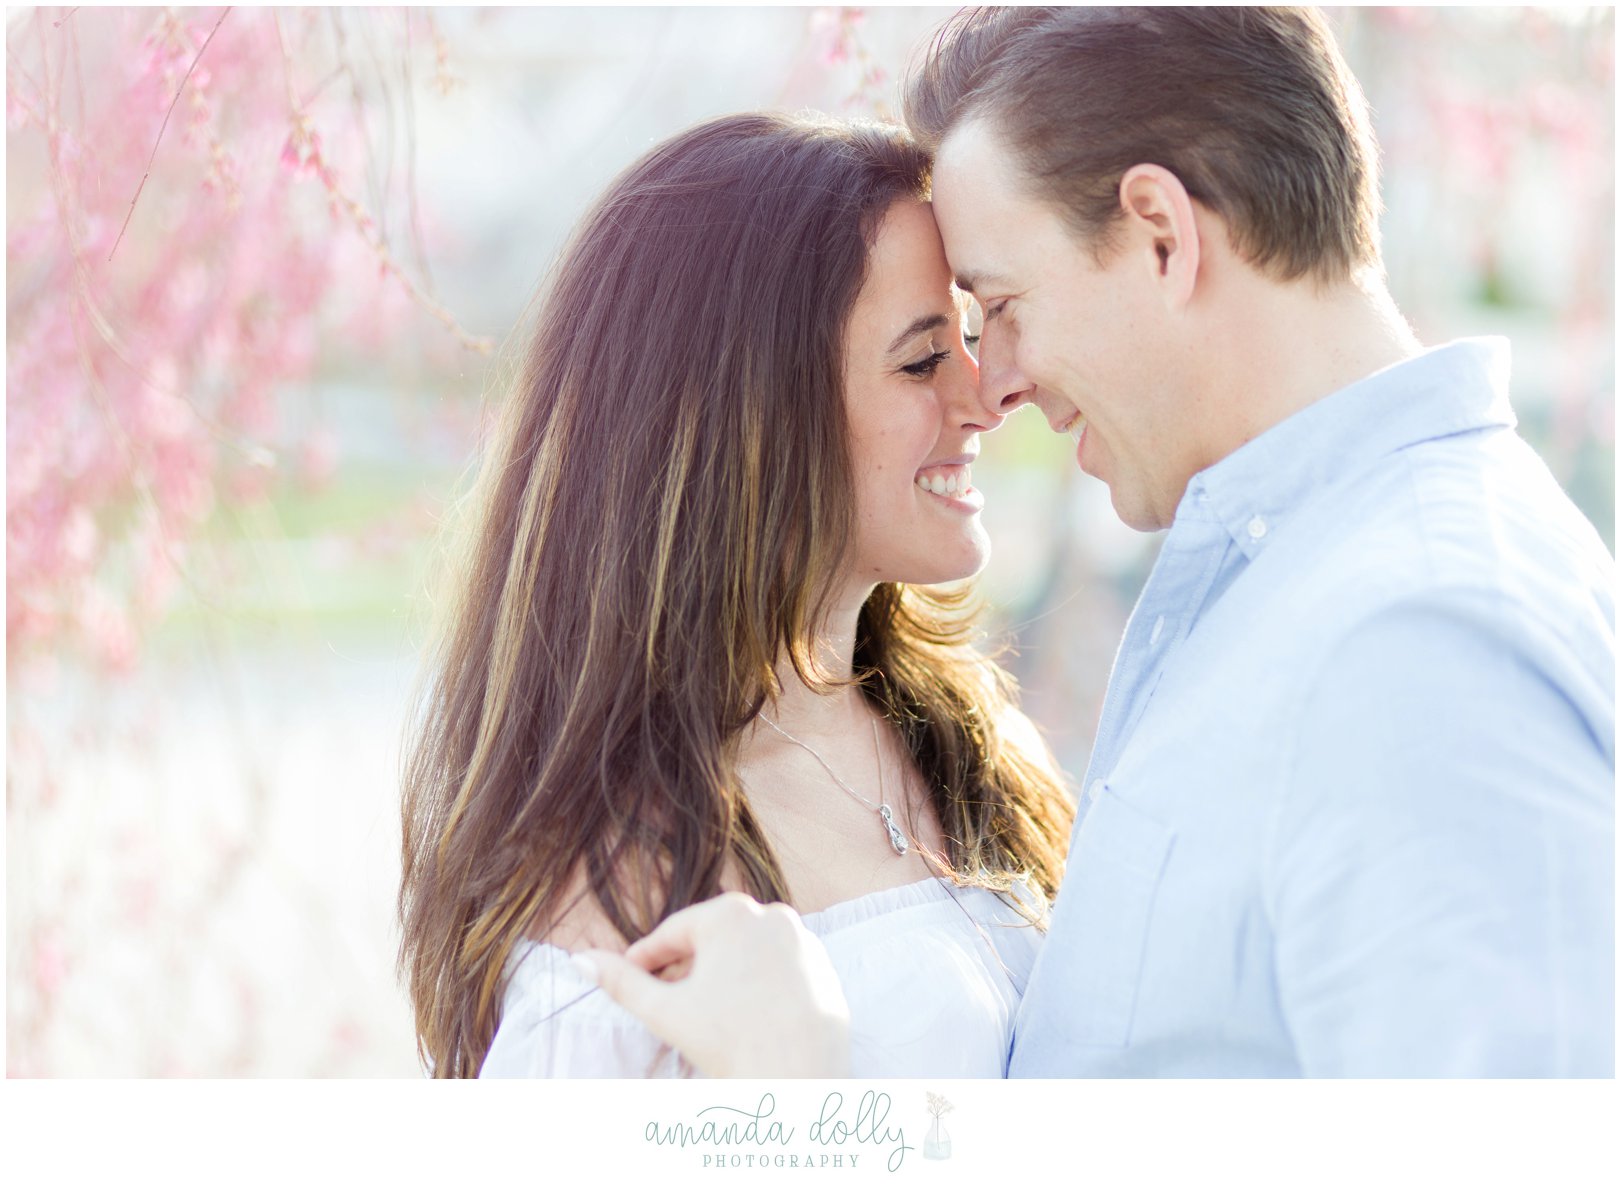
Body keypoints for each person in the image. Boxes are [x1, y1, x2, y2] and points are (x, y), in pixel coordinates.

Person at [582, 7, 1614, 1077]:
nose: (1000, 383)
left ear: (1159, 234)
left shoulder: (1417, 637)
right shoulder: (1297, 583)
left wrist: (805, 1117)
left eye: (1002, 305)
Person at [395, 111, 1074, 1078]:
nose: (986, 393)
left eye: (970, 336)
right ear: (747, 415)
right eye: (923, 358)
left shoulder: (966, 738)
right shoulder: (621, 906)